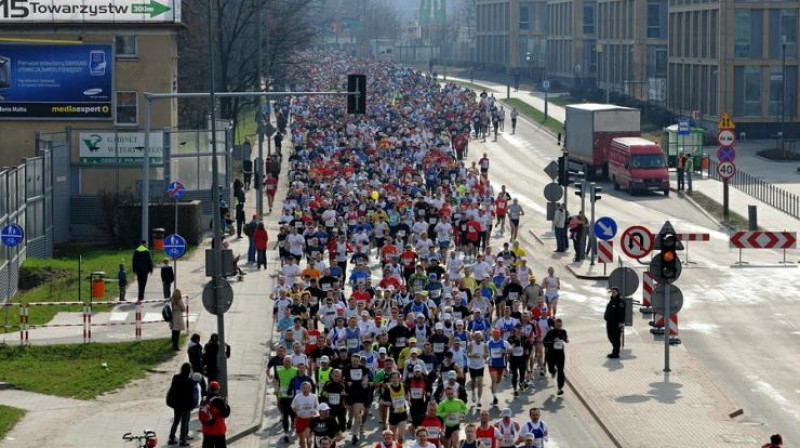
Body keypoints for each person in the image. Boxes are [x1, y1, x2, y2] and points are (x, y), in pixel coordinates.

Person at [166, 362, 195, 446]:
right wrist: (192, 405)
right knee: (184, 423)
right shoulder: (190, 381)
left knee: (176, 421)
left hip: (176, 404)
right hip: (185, 405)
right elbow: (190, 395)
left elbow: (173, 390)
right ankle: (182, 440)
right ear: (189, 371)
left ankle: (171, 438)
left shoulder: (176, 378)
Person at [200, 381, 231, 448]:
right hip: (218, 431)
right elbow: (225, 414)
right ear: (217, 389)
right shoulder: (219, 400)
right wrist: (226, 404)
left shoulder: (204, 400)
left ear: (209, 389)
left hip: (207, 431)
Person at [542, 318, 568, 395]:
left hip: (560, 354)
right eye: (557, 325)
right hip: (551, 354)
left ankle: (560, 388)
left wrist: (566, 340)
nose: (559, 326)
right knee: (551, 368)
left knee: (561, 370)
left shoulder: (563, 331)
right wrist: (553, 340)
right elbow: (545, 341)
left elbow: (565, 337)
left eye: (560, 325)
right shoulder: (550, 332)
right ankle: (553, 371)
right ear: (555, 325)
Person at [292, 381, 320, 448]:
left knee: (309, 437)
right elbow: (293, 407)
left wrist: (315, 412)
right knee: (302, 438)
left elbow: (317, 407)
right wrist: (296, 409)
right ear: (301, 389)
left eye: (307, 388)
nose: (305, 390)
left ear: (310, 389)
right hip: (300, 419)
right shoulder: (297, 397)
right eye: (304, 388)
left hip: (310, 420)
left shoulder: (314, 397)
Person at [604, 287, 626, 359]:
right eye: (612, 292)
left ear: (617, 293)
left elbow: (622, 313)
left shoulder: (620, 302)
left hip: (616, 323)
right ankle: (614, 351)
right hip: (610, 323)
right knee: (610, 337)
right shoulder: (612, 301)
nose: (613, 293)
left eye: (614, 292)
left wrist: (621, 322)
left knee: (616, 338)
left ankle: (615, 353)